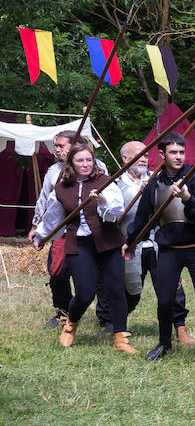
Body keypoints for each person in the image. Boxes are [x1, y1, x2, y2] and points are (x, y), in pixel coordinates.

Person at [126, 133, 195, 365]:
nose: (178, 157)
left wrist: (187, 197)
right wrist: (131, 241)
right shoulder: (154, 185)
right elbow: (142, 218)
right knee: (165, 300)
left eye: (181, 152)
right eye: (173, 152)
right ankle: (164, 343)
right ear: (162, 155)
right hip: (169, 249)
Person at [31, 141, 133, 353]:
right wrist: (40, 236)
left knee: (115, 289)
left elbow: (116, 210)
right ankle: (71, 323)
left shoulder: (106, 182)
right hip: (80, 243)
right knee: (85, 293)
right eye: (80, 160)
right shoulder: (61, 189)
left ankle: (121, 338)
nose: (86, 164)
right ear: (71, 163)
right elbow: (53, 218)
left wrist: (102, 199)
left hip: (109, 241)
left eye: (89, 160)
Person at [113, 140, 192, 344]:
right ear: (125, 158)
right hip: (131, 244)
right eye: (139, 156)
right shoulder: (115, 184)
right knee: (128, 289)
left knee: (172, 286)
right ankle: (114, 324)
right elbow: (113, 213)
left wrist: (153, 191)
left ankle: (180, 328)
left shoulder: (159, 180)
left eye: (147, 156)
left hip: (158, 241)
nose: (145, 160)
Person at [30, 131, 110, 329]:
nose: (57, 150)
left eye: (61, 146)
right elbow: (44, 199)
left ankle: (106, 316)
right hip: (64, 230)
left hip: (92, 230)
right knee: (57, 272)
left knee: (100, 273)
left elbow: (109, 197)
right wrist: (36, 225)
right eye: (56, 146)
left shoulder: (96, 167)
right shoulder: (53, 171)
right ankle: (64, 311)